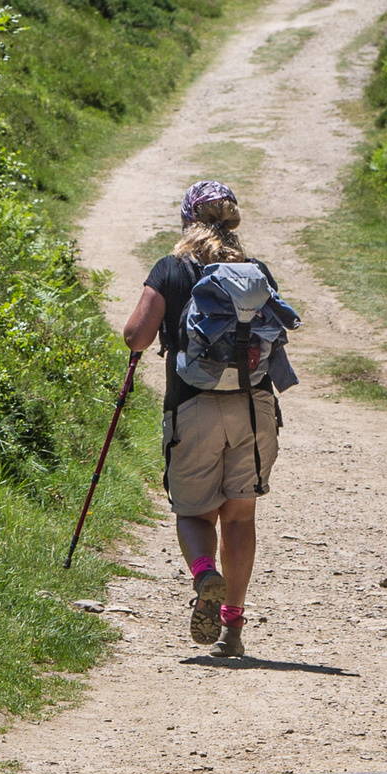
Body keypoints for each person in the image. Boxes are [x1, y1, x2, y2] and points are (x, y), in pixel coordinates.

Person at [121, 180, 282, 659]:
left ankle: (204, 574)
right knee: (240, 515)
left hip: (192, 406)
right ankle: (232, 626)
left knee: (195, 512)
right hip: (254, 407)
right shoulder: (255, 272)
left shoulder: (171, 269)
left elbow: (136, 337)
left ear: (186, 219)